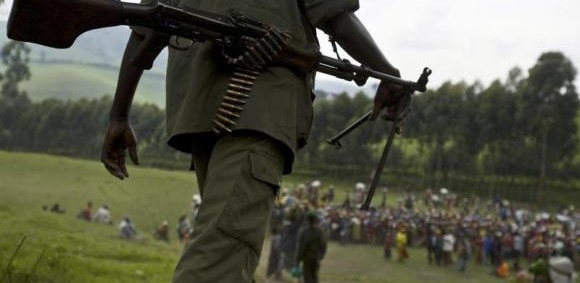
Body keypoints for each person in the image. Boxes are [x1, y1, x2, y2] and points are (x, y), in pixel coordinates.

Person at [101, 0, 402, 281]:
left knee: (227, 250)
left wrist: (118, 115)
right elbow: (335, 15)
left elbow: (144, 31)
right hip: (260, 107)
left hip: (202, 107)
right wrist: (390, 76)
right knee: (219, 258)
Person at [297, 212, 327, 283]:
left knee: (307, 277)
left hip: (307, 258)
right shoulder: (320, 232)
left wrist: (298, 259)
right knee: (315, 276)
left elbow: (301, 247)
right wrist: (321, 255)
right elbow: (323, 245)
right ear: (315, 221)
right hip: (316, 257)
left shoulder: (304, 232)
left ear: (308, 221)